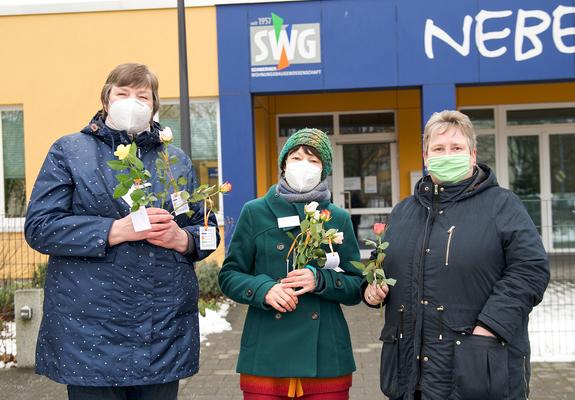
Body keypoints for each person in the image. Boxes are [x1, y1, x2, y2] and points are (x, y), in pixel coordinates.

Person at [24, 63, 219, 400]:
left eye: (142, 96)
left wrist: (184, 240)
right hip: (90, 335)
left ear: (155, 106)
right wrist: (112, 230)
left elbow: (208, 231)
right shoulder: (69, 151)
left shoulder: (175, 160)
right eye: (123, 93)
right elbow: (40, 227)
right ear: (106, 100)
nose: (132, 102)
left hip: (161, 331)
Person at [363, 110, 549, 400]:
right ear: (426, 156)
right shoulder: (403, 212)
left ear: (473, 155)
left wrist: (490, 327)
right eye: (438, 148)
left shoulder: (502, 206)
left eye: (456, 148)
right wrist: (372, 289)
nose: (447, 154)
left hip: (477, 367)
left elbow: (530, 270)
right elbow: (381, 265)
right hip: (410, 374)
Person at [219, 128, 363, 400]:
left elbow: (357, 286)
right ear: (284, 164)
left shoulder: (338, 217)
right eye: (296, 158)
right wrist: (263, 290)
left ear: (324, 169)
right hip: (265, 355)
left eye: (313, 160)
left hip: (325, 356)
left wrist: (321, 280)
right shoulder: (255, 211)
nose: (303, 166)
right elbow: (229, 275)